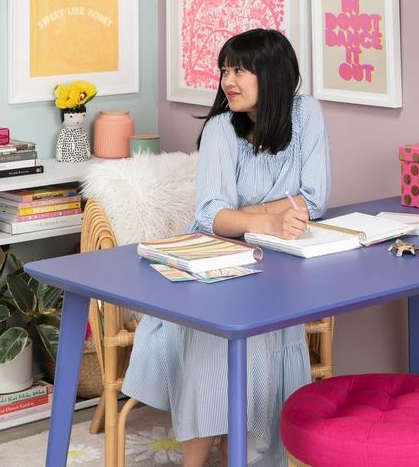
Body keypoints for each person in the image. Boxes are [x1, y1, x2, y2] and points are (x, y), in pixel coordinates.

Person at [122, 28, 331, 466]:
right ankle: (196, 460)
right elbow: (211, 216)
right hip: (215, 259)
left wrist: (253, 215)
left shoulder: (306, 113)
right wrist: (271, 218)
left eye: (238, 70)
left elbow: (314, 199)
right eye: (223, 71)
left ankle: (244, 450)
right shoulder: (221, 128)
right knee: (216, 335)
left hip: (278, 263)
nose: (226, 81)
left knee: (263, 330)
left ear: (270, 75)